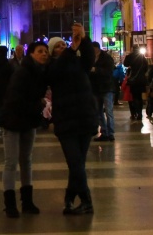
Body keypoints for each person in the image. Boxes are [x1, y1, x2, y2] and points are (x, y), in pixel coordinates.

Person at [47, 23, 97, 214]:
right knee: (75, 162)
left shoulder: (77, 63)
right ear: (52, 53)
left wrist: (83, 39)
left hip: (84, 118)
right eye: (57, 47)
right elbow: (57, 72)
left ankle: (69, 197)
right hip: (66, 121)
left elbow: (89, 59)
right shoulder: (52, 67)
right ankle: (87, 201)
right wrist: (71, 49)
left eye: (63, 44)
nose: (62, 48)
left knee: (78, 164)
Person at [0, 41, 49, 218]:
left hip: (28, 120)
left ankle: (27, 201)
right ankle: (10, 204)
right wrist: (39, 103)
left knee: (26, 160)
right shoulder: (23, 72)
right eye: (40, 51)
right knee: (11, 161)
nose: (44, 54)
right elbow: (15, 99)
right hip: (13, 120)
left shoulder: (40, 72)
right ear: (31, 54)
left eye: (45, 51)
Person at [91, 42, 115, 141]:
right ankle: (104, 132)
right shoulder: (91, 58)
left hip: (106, 88)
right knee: (98, 111)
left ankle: (110, 133)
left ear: (97, 48)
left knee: (108, 111)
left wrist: (96, 70)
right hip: (96, 88)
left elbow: (109, 71)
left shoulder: (106, 58)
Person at [124, 46, 148, 121]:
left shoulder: (130, 56)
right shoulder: (142, 57)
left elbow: (125, 64)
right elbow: (146, 67)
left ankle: (136, 112)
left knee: (134, 97)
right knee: (139, 97)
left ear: (132, 49)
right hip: (141, 80)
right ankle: (140, 113)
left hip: (133, 80)